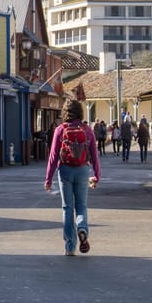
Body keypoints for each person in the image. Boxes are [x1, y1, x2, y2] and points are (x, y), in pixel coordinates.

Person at [44, 98, 101, 256]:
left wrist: (48, 179)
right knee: (81, 206)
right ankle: (82, 228)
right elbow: (94, 155)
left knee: (67, 208)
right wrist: (96, 176)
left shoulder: (60, 130)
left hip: (65, 171)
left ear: (65, 113)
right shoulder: (87, 130)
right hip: (83, 170)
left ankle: (70, 246)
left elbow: (53, 156)